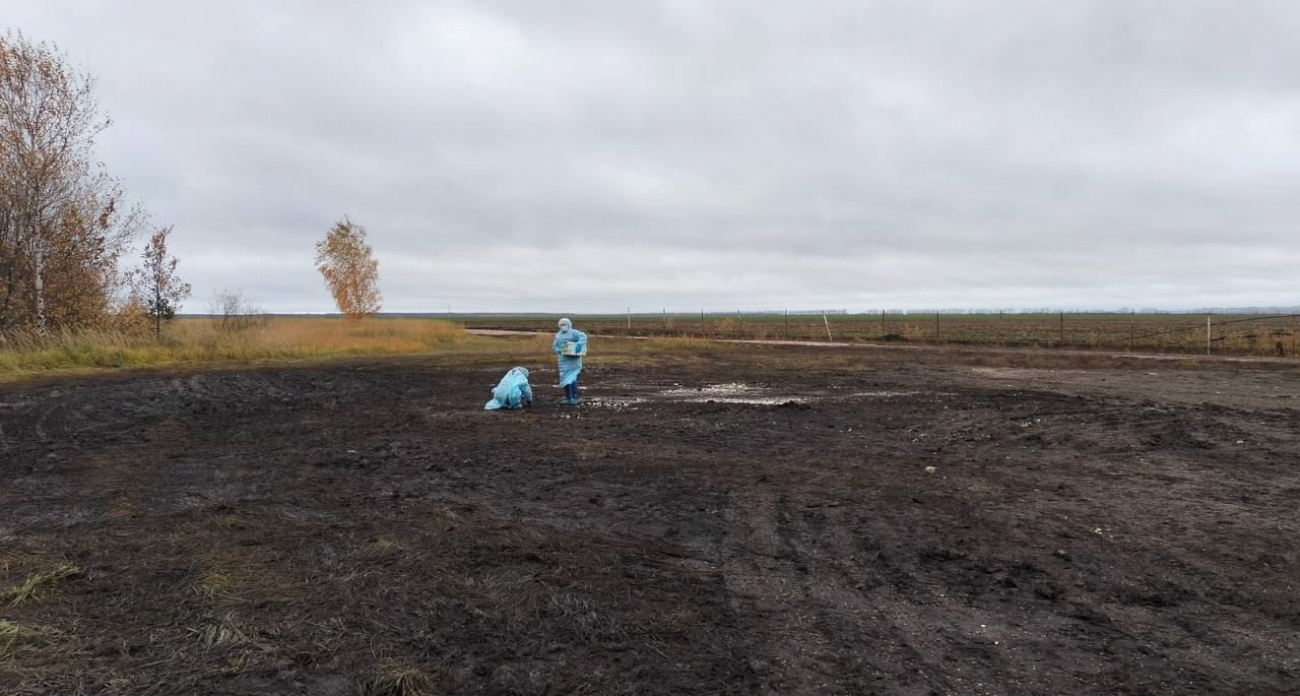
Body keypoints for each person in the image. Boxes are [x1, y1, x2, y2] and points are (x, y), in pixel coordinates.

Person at [553, 317, 587, 405]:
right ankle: (568, 397)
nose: (563, 326)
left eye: (565, 325)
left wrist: (579, 344)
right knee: (565, 378)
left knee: (572, 378)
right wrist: (559, 350)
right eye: (561, 325)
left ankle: (575, 397)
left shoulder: (573, 333)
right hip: (563, 360)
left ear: (569, 325)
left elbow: (583, 336)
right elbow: (555, 346)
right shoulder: (558, 335)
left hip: (573, 360)